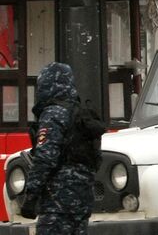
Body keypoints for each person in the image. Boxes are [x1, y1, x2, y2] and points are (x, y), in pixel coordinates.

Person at [24, 63, 96, 235]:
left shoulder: (53, 114)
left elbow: (45, 158)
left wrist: (30, 196)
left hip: (57, 204)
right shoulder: (81, 115)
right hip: (82, 202)